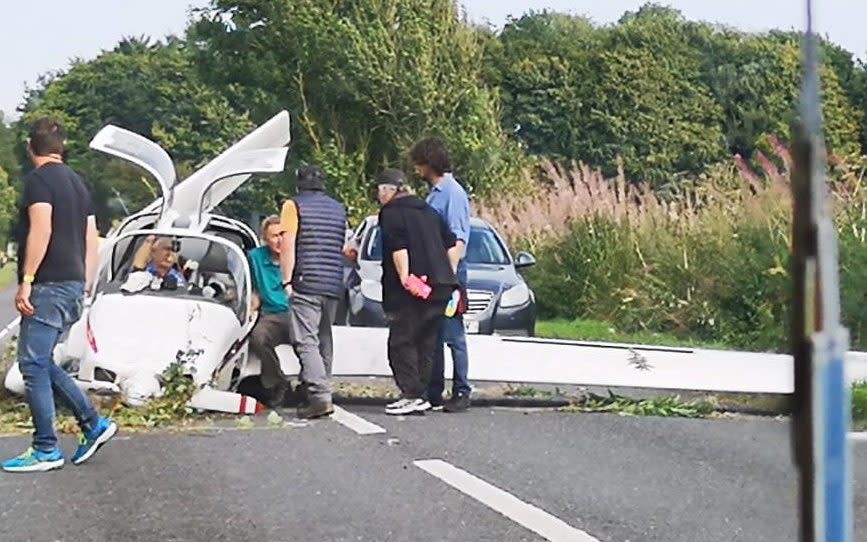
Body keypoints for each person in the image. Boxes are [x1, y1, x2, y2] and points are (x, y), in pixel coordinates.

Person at [2, 117, 117, 473]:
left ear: (29, 147)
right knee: (42, 361)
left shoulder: (39, 181)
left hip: (48, 282)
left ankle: (45, 448)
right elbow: (91, 237)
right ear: (61, 147)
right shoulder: (79, 184)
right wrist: (85, 283)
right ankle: (91, 423)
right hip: (71, 283)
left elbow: (41, 228)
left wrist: (27, 278)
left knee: (32, 365)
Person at [376, 169, 460, 416]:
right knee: (427, 342)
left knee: (401, 342)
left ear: (388, 190)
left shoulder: (391, 213)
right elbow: (451, 243)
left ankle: (411, 393)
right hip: (440, 286)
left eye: (380, 190)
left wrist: (405, 278)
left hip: (413, 288)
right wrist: (447, 274)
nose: (379, 196)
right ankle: (421, 394)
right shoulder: (429, 212)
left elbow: (398, 246)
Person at [409, 136, 472, 412]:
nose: (416, 170)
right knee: (434, 334)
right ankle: (434, 390)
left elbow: (458, 238)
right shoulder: (435, 194)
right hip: (437, 272)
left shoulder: (452, 194)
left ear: (428, 163)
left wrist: (450, 278)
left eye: (419, 164)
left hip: (449, 272)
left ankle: (462, 389)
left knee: (453, 334)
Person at [279, 165, 347, 419]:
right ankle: (321, 388)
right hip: (332, 282)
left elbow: (288, 244)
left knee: (305, 339)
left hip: (307, 279)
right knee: (324, 339)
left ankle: (319, 395)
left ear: (299, 185)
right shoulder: (338, 208)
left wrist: (287, 280)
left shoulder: (292, 206)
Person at [248, 216, 293, 408]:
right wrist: (251, 304)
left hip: (297, 312)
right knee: (258, 337)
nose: (279, 240)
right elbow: (252, 288)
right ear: (265, 239)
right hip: (272, 314)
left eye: (283, 235)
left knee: (308, 341)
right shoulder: (255, 258)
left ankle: (312, 387)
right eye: (274, 236)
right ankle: (277, 382)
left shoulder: (298, 256)